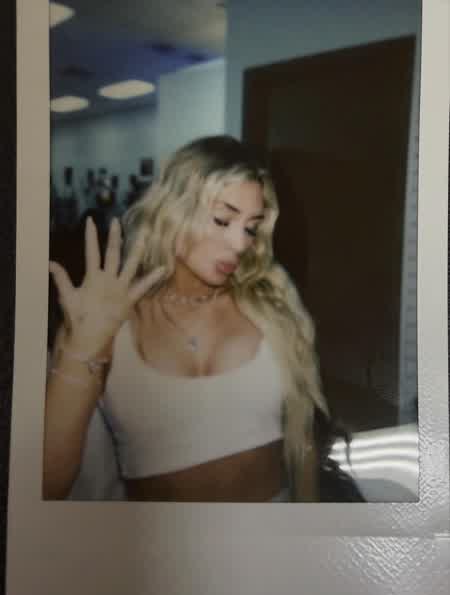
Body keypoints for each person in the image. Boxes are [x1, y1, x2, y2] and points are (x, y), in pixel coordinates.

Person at [44, 135, 330, 502]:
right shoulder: (109, 320)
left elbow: (303, 439)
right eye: (222, 220)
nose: (240, 244)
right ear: (174, 209)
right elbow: (47, 485)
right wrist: (79, 350)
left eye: (250, 227)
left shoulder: (270, 303)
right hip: (162, 539)